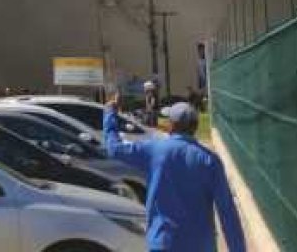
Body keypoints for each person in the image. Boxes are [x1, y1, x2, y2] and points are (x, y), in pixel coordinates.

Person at [104, 97, 246, 252]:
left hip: (164, 243)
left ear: (171, 125)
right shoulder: (210, 161)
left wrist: (110, 113)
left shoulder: (155, 150)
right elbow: (227, 212)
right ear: (195, 127)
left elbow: (114, 148)